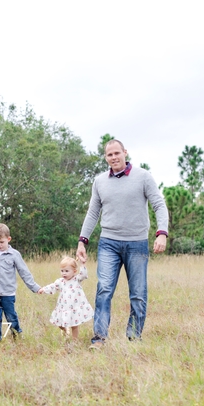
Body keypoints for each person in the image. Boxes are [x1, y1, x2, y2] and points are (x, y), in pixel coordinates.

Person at [77, 139, 169, 348]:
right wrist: (83, 241)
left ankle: (134, 337)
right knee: (104, 289)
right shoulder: (100, 181)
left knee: (137, 293)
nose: (114, 157)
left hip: (136, 243)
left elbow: (159, 205)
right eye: (109, 155)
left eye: (117, 153)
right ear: (105, 157)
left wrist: (162, 233)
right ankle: (99, 338)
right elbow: (93, 213)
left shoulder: (143, 177)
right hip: (109, 243)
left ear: (125, 152)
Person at [0, 223, 41, 341]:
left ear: (8, 239)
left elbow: (24, 272)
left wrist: (35, 287)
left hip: (8, 293)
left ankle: (16, 334)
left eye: (2, 242)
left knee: (11, 316)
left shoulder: (14, 255)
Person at [38, 256, 93, 341]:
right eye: (62, 271)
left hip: (74, 307)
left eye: (67, 271)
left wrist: (82, 264)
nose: (64, 273)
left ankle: (75, 341)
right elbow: (52, 286)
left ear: (74, 271)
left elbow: (84, 275)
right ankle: (65, 330)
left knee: (74, 325)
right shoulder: (60, 282)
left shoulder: (76, 279)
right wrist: (43, 289)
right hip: (63, 307)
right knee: (59, 323)